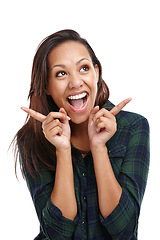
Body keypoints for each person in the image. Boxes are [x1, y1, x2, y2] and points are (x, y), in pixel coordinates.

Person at [15, 29, 150, 240]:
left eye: (84, 68)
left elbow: (123, 230)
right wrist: (63, 150)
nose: (76, 82)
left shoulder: (133, 127)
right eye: (61, 73)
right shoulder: (32, 139)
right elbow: (57, 235)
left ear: (96, 72)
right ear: (47, 86)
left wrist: (99, 148)